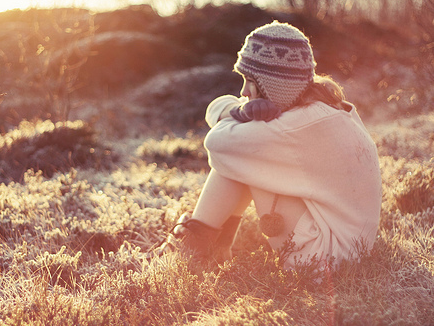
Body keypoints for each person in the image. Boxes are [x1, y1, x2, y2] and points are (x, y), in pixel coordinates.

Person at [156, 21, 382, 269]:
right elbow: (218, 111)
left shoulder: (293, 127)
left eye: (250, 81)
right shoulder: (327, 109)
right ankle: (212, 245)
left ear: (276, 85)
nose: (243, 91)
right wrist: (237, 110)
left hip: (323, 260)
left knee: (242, 152)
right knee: (245, 149)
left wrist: (241, 115)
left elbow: (217, 143)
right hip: (350, 249)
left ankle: (192, 247)